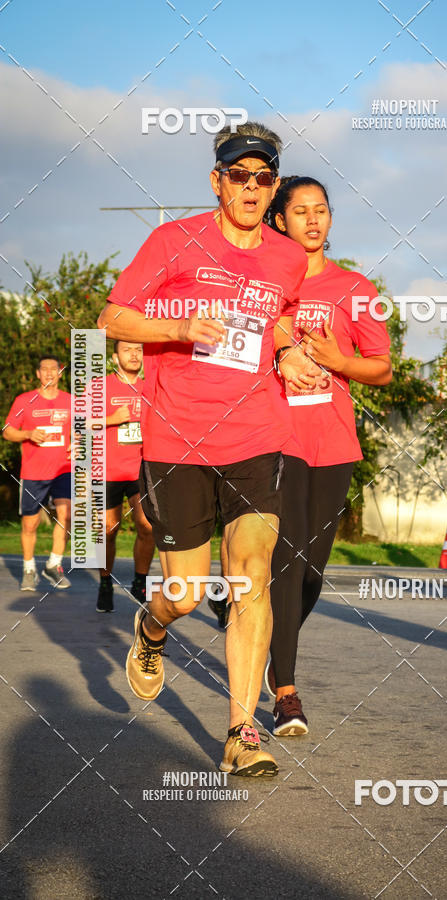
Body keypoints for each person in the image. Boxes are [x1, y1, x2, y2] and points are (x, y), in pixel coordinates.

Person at [97, 122, 315, 777]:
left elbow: (280, 315)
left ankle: (242, 734)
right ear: (217, 179)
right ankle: (153, 629)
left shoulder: (285, 256)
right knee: (187, 593)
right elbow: (113, 317)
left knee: (251, 574)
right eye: (239, 175)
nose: (251, 187)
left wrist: (290, 352)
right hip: (178, 437)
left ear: (273, 184)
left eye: (264, 176)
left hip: (258, 433)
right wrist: (180, 325)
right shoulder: (172, 240)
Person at [263, 176, 392, 735]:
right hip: (273, 438)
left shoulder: (355, 286)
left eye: (321, 210)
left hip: (333, 442)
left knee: (312, 571)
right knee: (287, 563)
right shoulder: (263, 282)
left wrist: (339, 359)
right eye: (300, 211)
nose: (313, 220)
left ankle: (267, 633)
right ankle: (285, 689)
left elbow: (382, 369)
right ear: (280, 220)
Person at [96, 340, 155, 612]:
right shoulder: (101, 386)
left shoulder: (151, 386)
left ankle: (140, 581)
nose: (134, 354)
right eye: (127, 350)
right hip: (108, 470)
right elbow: (79, 422)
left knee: (148, 525)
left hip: (142, 468)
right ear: (115, 356)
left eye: (139, 350)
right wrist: (111, 419)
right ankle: (105, 582)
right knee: (108, 530)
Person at [3, 355, 72, 591]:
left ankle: (54, 565)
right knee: (29, 525)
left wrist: (79, 443)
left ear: (60, 373)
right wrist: (28, 434)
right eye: (45, 369)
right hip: (33, 473)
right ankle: (29, 569)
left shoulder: (71, 401)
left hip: (63, 470)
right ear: (38, 374)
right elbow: (7, 431)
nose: (50, 373)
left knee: (67, 516)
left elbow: (83, 430)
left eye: (54, 369)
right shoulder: (25, 400)